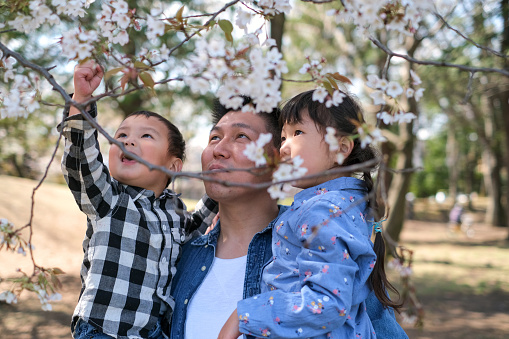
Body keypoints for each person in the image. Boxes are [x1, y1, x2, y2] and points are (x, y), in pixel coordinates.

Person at [169, 97, 407, 339]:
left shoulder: (320, 235)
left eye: (242, 136)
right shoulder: (180, 254)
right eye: (214, 138)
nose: (218, 149)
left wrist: (245, 316)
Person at [59, 61, 217, 339]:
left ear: (174, 166)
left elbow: (201, 225)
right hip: (103, 330)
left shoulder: (175, 213)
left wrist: (221, 180)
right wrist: (82, 101)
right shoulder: (109, 200)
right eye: (121, 135)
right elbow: (81, 161)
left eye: (146, 136)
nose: (127, 141)